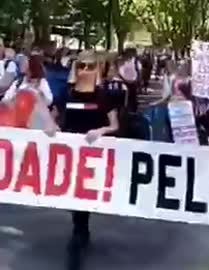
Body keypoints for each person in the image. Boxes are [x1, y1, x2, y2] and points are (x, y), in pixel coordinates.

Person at [63, 51, 119, 270]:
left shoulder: (104, 96)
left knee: (83, 195)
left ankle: (79, 232)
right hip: (69, 154)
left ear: (98, 69)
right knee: (72, 194)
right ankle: (80, 228)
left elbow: (115, 125)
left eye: (90, 66)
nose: (85, 71)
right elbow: (54, 119)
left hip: (93, 155)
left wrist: (101, 130)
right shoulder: (66, 94)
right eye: (81, 66)